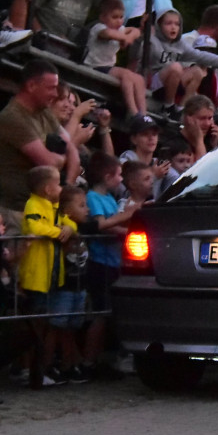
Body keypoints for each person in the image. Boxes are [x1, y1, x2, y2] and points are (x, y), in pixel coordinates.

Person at [0, 59, 78, 234]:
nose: (55, 93)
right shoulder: (12, 118)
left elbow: (73, 151)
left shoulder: (44, 112)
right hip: (20, 212)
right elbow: (48, 163)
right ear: (31, 85)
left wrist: (67, 186)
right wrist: (61, 159)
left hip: (48, 210)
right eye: (51, 88)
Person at [17, 164, 72, 387]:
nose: (61, 188)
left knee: (44, 323)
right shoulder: (34, 204)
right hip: (36, 275)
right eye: (58, 183)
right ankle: (28, 371)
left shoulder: (53, 205)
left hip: (51, 273)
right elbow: (36, 228)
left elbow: (68, 220)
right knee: (35, 325)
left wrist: (68, 228)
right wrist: (59, 232)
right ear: (48, 189)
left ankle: (38, 370)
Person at [83, 152, 136, 379]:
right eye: (119, 175)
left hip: (113, 262)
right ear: (107, 176)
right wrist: (127, 220)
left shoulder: (110, 199)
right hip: (100, 262)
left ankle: (102, 359)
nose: (121, 180)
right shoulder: (94, 197)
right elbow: (101, 225)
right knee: (101, 314)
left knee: (109, 314)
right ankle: (88, 361)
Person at [148, 8, 218, 118]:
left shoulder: (180, 45)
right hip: (156, 81)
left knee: (197, 71)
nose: (173, 27)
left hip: (176, 83)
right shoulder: (153, 41)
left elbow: (199, 56)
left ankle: (180, 109)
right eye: (168, 23)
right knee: (176, 67)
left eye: (177, 24)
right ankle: (169, 107)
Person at [47, 185, 94, 383]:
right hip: (63, 287)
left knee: (71, 327)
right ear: (66, 210)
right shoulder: (60, 230)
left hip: (79, 286)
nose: (87, 209)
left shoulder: (83, 229)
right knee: (56, 325)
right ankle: (46, 366)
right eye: (82, 205)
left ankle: (69, 364)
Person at [84, 0, 145, 116]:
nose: (119, 21)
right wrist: (124, 38)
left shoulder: (120, 29)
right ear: (102, 18)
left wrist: (130, 37)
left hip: (107, 67)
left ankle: (143, 114)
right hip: (94, 66)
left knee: (139, 78)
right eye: (114, 17)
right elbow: (108, 34)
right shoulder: (99, 28)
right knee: (126, 75)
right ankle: (133, 112)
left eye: (121, 17)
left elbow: (136, 31)